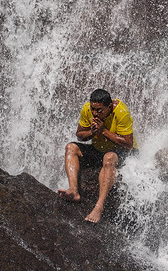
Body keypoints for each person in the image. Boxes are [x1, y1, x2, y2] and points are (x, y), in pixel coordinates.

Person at [57, 88, 137, 223]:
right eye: (93, 108)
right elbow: (80, 135)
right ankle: (73, 191)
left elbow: (128, 144)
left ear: (109, 106)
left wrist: (104, 131)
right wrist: (92, 133)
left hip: (122, 153)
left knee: (109, 157)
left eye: (99, 110)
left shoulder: (121, 112)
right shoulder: (87, 110)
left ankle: (99, 206)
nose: (95, 113)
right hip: (99, 150)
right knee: (71, 147)